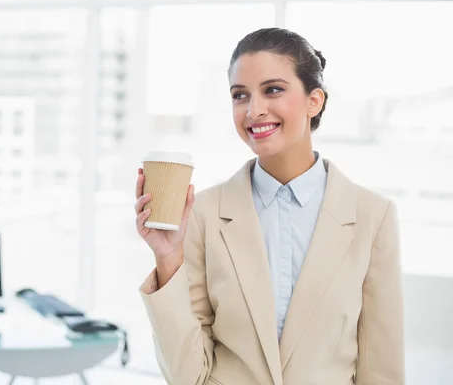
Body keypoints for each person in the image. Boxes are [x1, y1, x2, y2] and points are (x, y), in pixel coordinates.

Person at [134, 27, 405, 385]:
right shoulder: (202, 212)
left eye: (272, 90)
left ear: (315, 100)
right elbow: (187, 376)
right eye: (240, 95)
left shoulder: (373, 216)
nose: (253, 110)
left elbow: (381, 369)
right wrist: (167, 258)